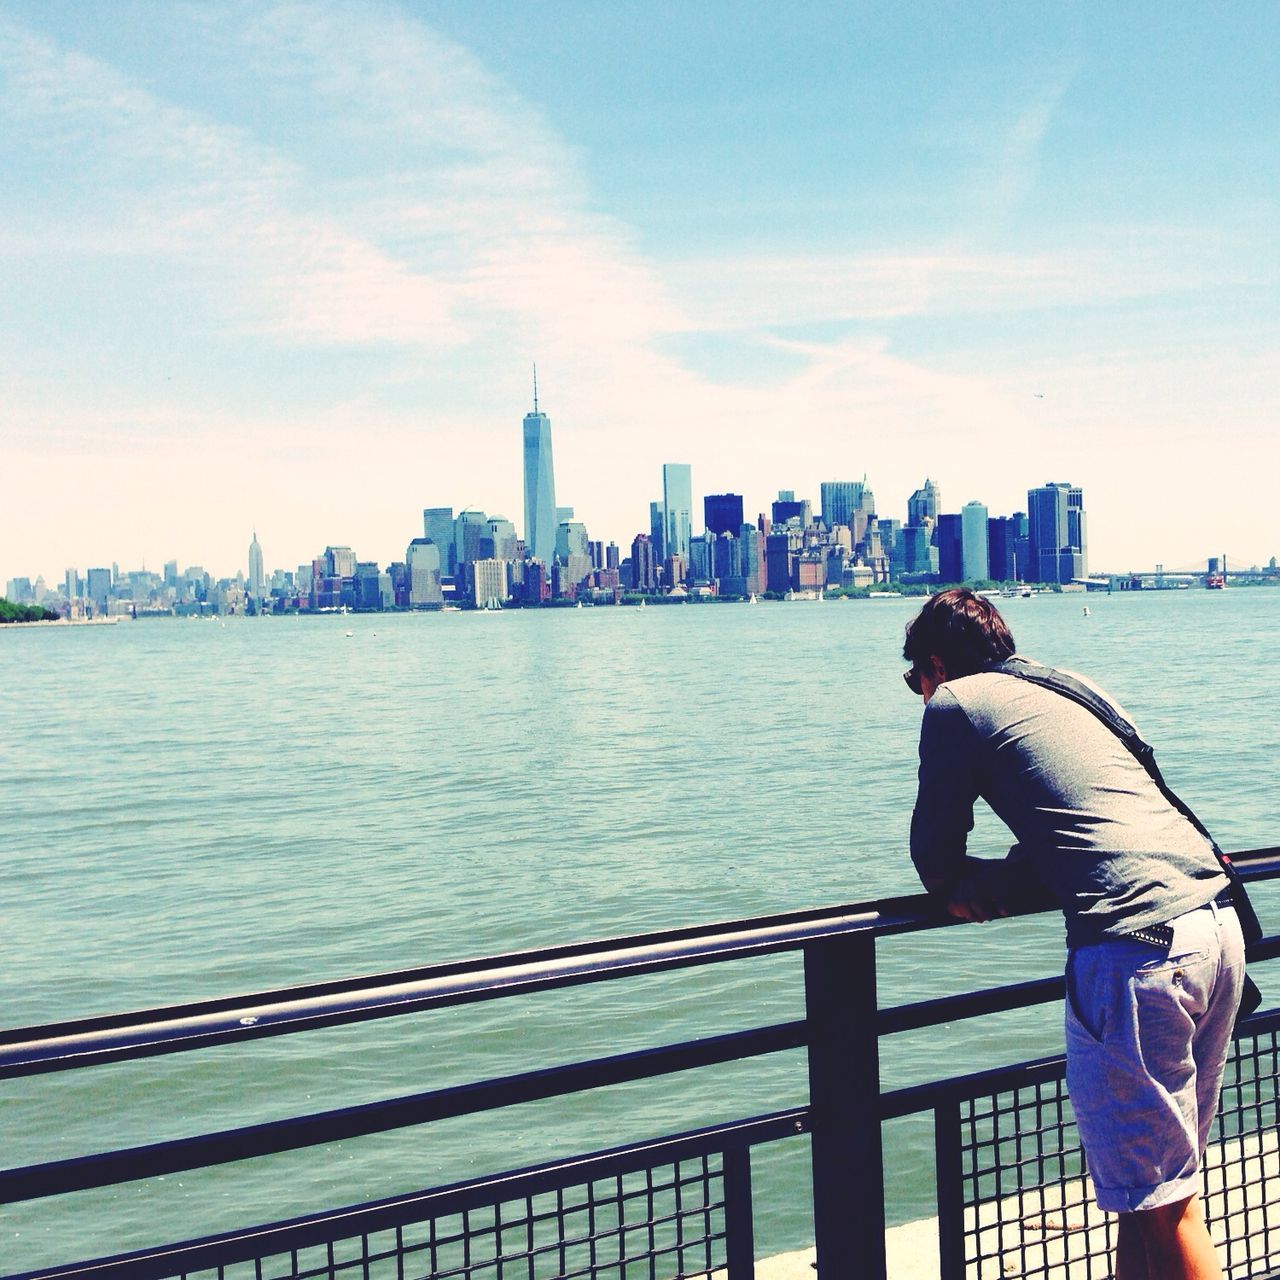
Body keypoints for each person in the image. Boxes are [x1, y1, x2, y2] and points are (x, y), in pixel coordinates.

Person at [904, 588, 1244, 1280]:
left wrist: (974, 889)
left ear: (935, 665)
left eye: (915, 679)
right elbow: (1105, 818)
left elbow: (935, 856)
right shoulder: (1070, 688)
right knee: (1150, 1195)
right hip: (1215, 925)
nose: (919, 693)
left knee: (1166, 1208)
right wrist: (1012, 879)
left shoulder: (956, 704)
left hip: (1137, 952)